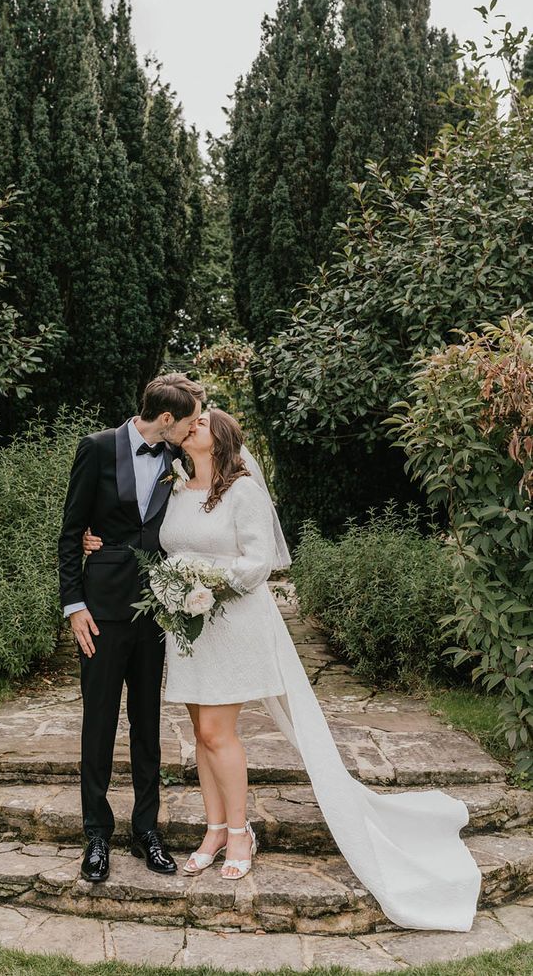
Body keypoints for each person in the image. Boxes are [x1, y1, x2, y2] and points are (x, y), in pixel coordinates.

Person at [84, 407, 482, 931]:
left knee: (216, 731)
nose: (188, 429)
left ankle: (242, 831)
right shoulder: (174, 487)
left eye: (199, 425)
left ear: (220, 439)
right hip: (189, 627)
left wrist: (205, 581)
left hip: (230, 620)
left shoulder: (242, 490)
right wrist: (102, 541)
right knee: (201, 735)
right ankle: (214, 828)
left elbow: (259, 561)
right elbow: (149, 538)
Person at [57, 372, 204, 883]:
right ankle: (96, 833)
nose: (191, 430)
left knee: (148, 725)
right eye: (187, 422)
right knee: (97, 724)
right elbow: (71, 531)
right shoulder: (97, 448)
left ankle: (147, 830)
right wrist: (74, 604)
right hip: (99, 611)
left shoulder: (179, 461)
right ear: (166, 418)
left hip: (156, 611)